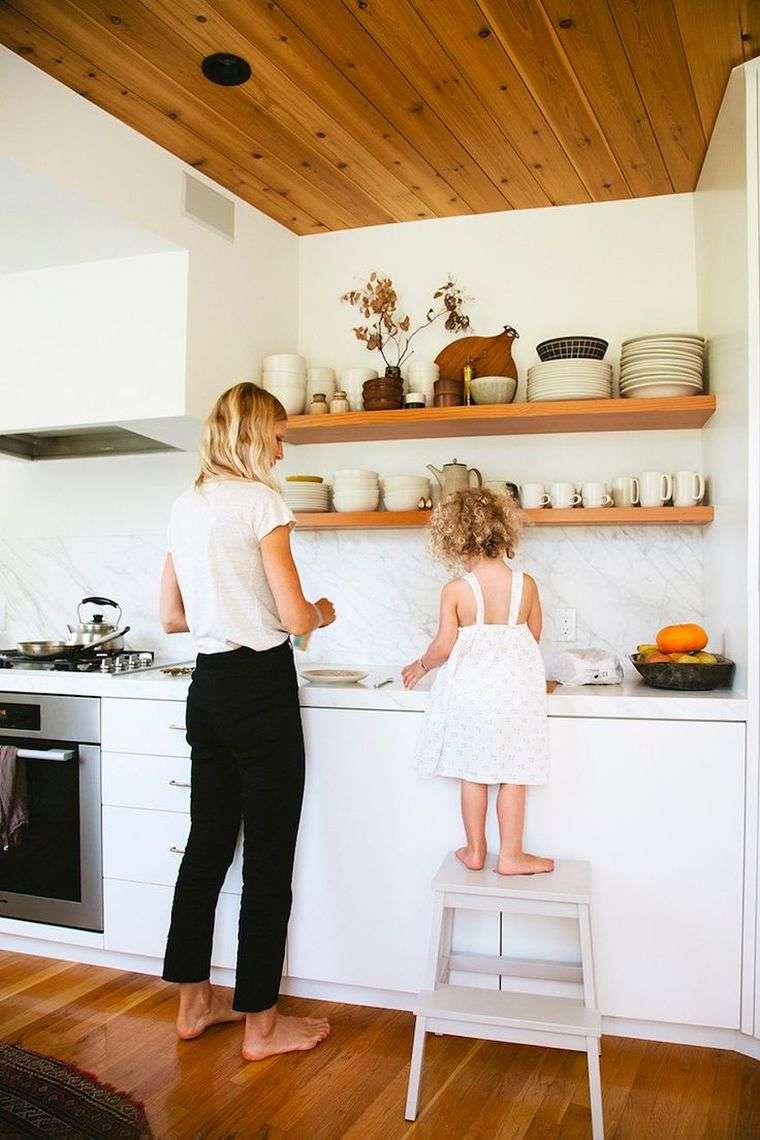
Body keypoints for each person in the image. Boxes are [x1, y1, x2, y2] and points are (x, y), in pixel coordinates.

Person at [159, 381, 335, 1060]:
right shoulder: (262, 503)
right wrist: (322, 611)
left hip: (206, 688)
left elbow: (172, 617)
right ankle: (262, 1026)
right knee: (267, 858)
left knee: (206, 846)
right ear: (254, 434)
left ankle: (193, 1004)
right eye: (279, 437)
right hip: (259, 688)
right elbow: (294, 619)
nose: (282, 450)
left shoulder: (184, 507)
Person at [402, 489, 553, 876]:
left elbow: (443, 646)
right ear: (504, 531)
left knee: (474, 774)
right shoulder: (527, 584)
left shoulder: (457, 590)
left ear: (453, 538)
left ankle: (474, 850)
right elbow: (532, 634)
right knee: (512, 774)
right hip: (516, 698)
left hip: (472, 699)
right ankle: (512, 855)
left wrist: (420, 666)